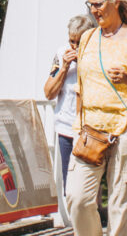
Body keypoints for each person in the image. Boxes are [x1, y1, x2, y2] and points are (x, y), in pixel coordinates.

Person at [65, 0, 127, 236]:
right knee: (77, 199)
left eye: (98, 4)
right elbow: (81, 88)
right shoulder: (87, 39)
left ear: (115, 3)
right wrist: (77, 127)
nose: (94, 11)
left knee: (120, 205)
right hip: (90, 130)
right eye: (90, 5)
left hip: (125, 130)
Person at [45, 14, 98, 193]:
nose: (74, 47)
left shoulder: (98, 55)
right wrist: (65, 67)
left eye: (79, 42)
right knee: (70, 183)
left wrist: (84, 63)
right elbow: (48, 93)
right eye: (71, 42)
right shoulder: (61, 54)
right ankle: (74, 218)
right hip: (66, 128)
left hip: (92, 130)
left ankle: (96, 216)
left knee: (89, 184)